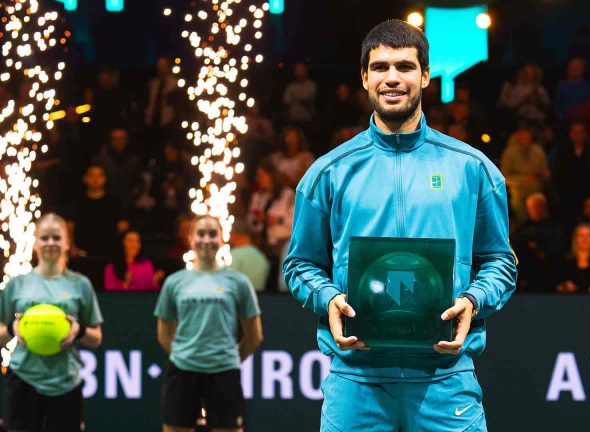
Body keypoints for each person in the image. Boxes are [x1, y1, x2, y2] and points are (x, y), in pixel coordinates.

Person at [284, 20, 517, 432]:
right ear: (364, 77)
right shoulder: (328, 173)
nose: (392, 78)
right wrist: (327, 297)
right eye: (381, 67)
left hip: (446, 379)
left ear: (425, 75)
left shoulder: (473, 169)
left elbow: (500, 260)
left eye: (405, 67)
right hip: (356, 382)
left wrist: (475, 299)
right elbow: (299, 265)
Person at [155, 215, 263, 432]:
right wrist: (184, 355)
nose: (207, 239)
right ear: (190, 238)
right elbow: (164, 332)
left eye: (213, 234)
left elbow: (254, 335)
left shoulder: (238, 282)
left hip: (224, 372)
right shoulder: (174, 282)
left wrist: (228, 357)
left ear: (222, 239)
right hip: (183, 372)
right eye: (201, 233)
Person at [0, 213, 103, 432]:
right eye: (45, 237)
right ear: (35, 241)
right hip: (23, 380)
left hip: (65, 382)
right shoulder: (17, 285)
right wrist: (12, 328)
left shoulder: (81, 284)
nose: (50, 243)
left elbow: (96, 339)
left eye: (56, 238)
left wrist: (79, 330)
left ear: (67, 243)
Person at [557, 224, 590, 293]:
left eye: (589, 236)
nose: (585, 239)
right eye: (582, 236)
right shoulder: (564, 263)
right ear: (575, 239)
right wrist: (565, 287)